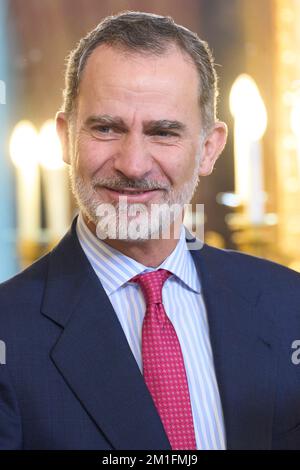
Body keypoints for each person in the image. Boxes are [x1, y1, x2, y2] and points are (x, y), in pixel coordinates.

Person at [1, 11, 300, 451]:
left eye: (163, 132)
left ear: (209, 149)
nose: (133, 164)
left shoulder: (287, 303)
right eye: (106, 128)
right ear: (66, 138)